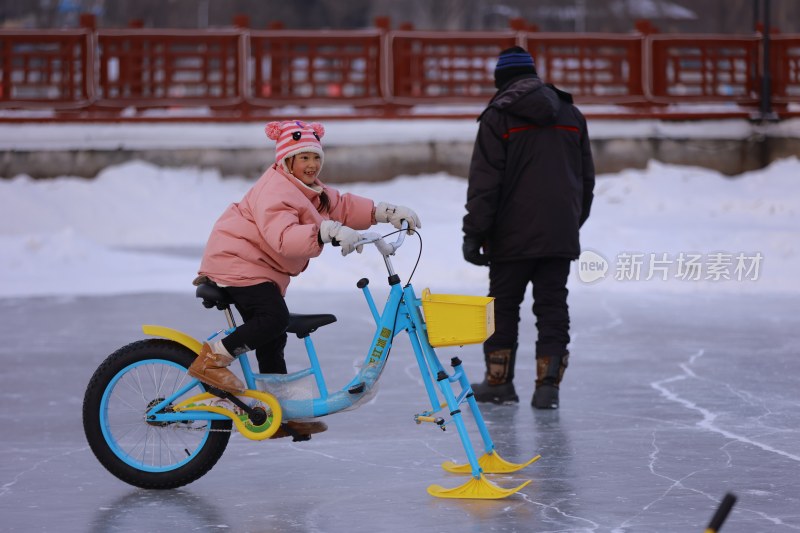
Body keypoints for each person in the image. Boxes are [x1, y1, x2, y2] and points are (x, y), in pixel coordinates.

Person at [188, 119, 421, 438]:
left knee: (274, 334)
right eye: (303, 158)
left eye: (316, 158)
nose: (311, 165)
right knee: (272, 319)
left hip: (257, 266)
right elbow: (282, 236)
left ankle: (279, 410)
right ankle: (211, 361)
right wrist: (325, 231)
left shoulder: (309, 190)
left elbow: (341, 205)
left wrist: (385, 212)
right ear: (287, 161)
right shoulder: (275, 190)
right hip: (236, 261)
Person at [462, 46, 595, 409]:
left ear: (501, 80)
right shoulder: (571, 113)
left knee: (503, 307)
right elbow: (586, 180)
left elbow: (485, 183)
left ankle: (499, 383)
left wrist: (474, 233)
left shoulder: (498, 116)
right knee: (552, 307)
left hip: (510, 237)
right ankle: (547, 387)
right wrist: (568, 223)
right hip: (559, 233)